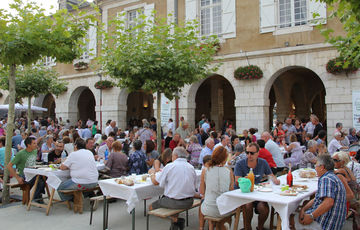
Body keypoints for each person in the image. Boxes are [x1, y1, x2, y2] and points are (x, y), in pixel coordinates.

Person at [292, 154, 346, 230]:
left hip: (326, 223)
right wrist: (303, 209)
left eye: (316, 166)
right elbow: (318, 198)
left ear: (322, 167)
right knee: (299, 213)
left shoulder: (326, 179)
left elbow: (328, 203)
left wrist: (311, 216)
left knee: (292, 218)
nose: (315, 168)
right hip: (332, 219)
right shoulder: (332, 177)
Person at [234, 143, 280, 230]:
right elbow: (237, 181)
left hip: (258, 193)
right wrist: (244, 179)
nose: (249, 155)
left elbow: (271, 175)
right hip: (243, 194)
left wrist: (275, 180)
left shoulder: (263, 162)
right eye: (247, 153)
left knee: (264, 208)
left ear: (258, 153)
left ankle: (260, 227)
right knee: (248, 205)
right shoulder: (240, 164)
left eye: (252, 153)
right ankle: (248, 228)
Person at [149, 147, 196, 230]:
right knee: (172, 198)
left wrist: (152, 173)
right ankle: (175, 224)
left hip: (175, 201)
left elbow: (155, 182)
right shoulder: (191, 167)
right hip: (189, 201)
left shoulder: (170, 166)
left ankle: (176, 221)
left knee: (151, 207)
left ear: (175, 156)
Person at [7, 137, 45, 203]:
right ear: (28, 145)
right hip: (24, 175)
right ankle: (36, 197)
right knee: (41, 179)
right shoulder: (21, 154)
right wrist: (18, 178)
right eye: (34, 143)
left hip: (33, 173)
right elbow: (9, 166)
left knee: (44, 177)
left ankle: (37, 196)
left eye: (36, 143)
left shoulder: (34, 151)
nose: (36, 145)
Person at [200, 146, 234, 220]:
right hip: (225, 209)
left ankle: (203, 227)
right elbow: (231, 190)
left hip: (208, 209)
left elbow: (202, 192)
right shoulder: (229, 171)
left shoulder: (205, 170)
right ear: (225, 159)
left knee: (203, 201)